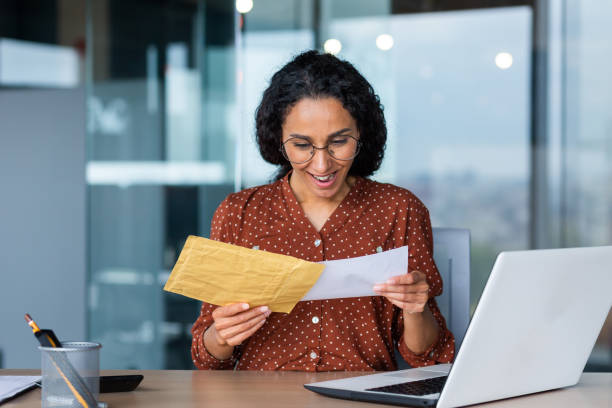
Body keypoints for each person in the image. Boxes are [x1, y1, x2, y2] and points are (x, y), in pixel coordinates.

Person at [191, 50, 454, 371]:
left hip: (362, 396)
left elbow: (426, 354)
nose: (322, 164)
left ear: (362, 135)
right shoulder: (238, 213)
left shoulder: (398, 209)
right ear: (278, 140)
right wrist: (221, 336)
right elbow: (206, 358)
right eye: (302, 145)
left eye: (339, 142)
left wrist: (415, 308)